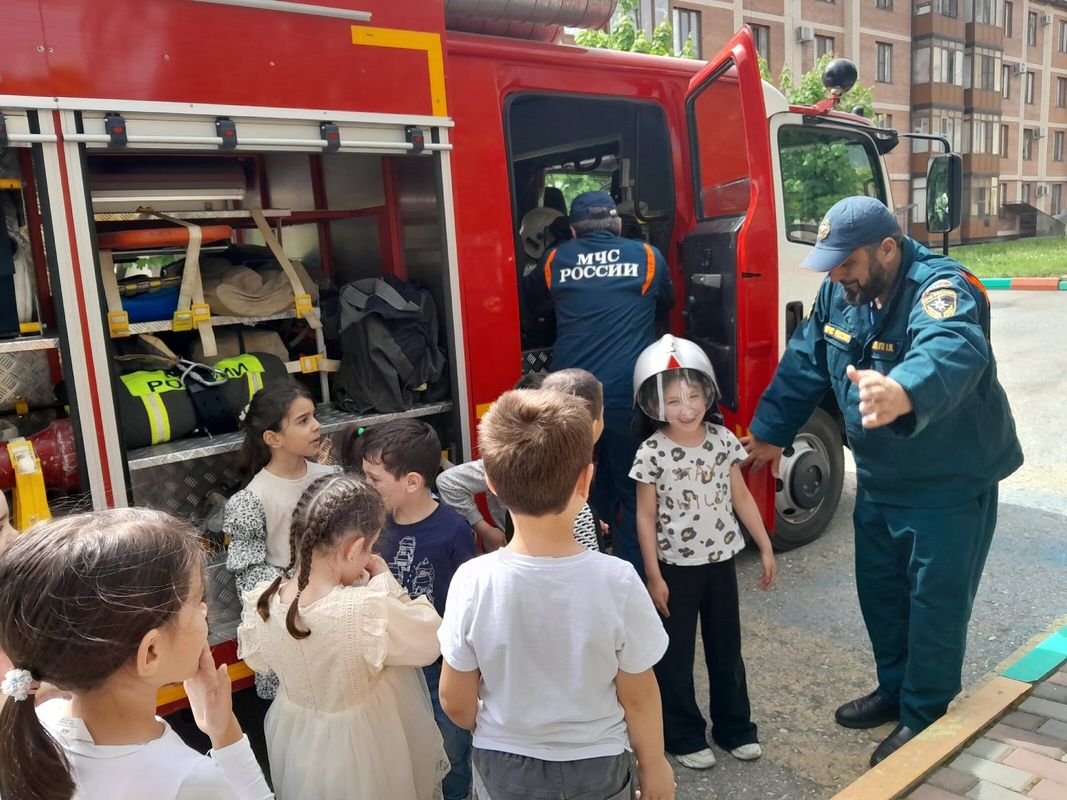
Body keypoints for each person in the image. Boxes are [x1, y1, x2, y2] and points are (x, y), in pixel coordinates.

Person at [741, 196, 1023, 766]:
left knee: (935, 607)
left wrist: (904, 389)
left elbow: (954, 347)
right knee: (882, 597)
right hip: (880, 478)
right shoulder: (840, 293)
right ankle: (894, 690)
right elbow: (805, 360)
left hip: (947, 483)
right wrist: (770, 431)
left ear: (888, 249)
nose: (835, 275)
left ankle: (924, 714)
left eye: (847, 263)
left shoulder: (941, 288)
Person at [438, 388, 675, 800]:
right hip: (597, 763)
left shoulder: (472, 580)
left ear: (490, 482)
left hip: (503, 764)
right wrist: (653, 766)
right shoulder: (618, 581)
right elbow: (638, 697)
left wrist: (497, 730)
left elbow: (454, 699)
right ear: (586, 480)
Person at [0, 508, 273, 800]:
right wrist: (226, 734)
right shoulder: (187, 781)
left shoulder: (40, 725)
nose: (204, 611)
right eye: (195, 602)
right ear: (151, 653)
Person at [237, 474, 448, 800]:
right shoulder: (363, 610)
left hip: (299, 741)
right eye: (370, 548)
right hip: (366, 748)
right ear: (352, 549)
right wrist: (386, 583)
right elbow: (430, 639)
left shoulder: (262, 603)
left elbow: (259, 660)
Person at [629, 335, 776, 770]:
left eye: (693, 396)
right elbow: (644, 517)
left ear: (708, 393)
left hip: (721, 564)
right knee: (675, 655)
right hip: (675, 569)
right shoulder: (651, 451)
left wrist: (765, 545)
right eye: (672, 400)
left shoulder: (723, 440)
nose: (686, 408)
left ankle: (735, 728)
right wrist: (653, 575)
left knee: (726, 647)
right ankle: (682, 734)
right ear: (652, 403)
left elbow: (741, 497)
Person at [526, 190, 673, 578]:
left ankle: (581, 575)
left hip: (569, 397)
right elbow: (666, 303)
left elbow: (535, 307)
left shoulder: (554, 260)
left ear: (574, 231)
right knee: (634, 491)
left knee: (573, 491)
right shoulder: (648, 257)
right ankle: (629, 582)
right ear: (618, 225)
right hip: (627, 395)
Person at [359, 419, 477, 800]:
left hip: (440, 666)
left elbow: (468, 604)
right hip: (391, 664)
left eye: (374, 479)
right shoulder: (373, 528)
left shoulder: (453, 529)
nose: (366, 486)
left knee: (451, 749)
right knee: (403, 749)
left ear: (411, 481)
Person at [225, 382, 338, 700]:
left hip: (337, 607)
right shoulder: (251, 499)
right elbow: (248, 575)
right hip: (291, 618)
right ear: (273, 438)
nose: (316, 426)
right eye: (303, 420)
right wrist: (297, 593)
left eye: (314, 416)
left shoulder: (331, 477)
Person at [436, 368, 604, 552]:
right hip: (519, 543)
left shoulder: (565, 454)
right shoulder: (509, 460)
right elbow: (449, 482)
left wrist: (585, 518)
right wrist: (486, 531)